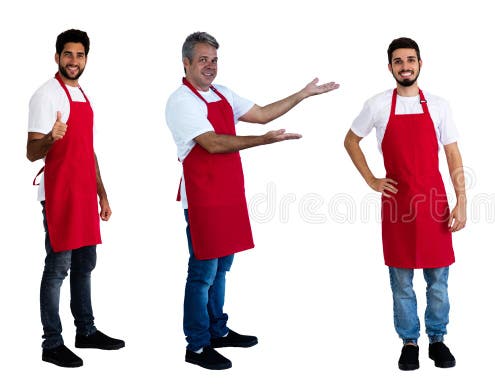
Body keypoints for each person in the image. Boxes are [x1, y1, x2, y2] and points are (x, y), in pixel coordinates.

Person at [165, 31, 338, 370]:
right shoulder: (181, 101)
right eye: (203, 60)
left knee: (222, 270)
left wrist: (302, 95)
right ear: (185, 63)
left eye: (214, 60)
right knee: (202, 273)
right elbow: (212, 143)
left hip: (228, 194)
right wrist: (263, 142)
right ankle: (197, 346)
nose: (210, 66)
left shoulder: (223, 93)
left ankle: (217, 331)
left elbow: (261, 113)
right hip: (202, 198)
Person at [344, 37, 466, 371]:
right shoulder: (377, 105)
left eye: (410, 60)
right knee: (401, 281)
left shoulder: (439, 105)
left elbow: (453, 155)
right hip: (397, 203)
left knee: (438, 281)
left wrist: (462, 201)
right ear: (390, 68)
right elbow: (351, 140)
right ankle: (410, 342)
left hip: (433, 202)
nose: (405, 66)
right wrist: (371, 179)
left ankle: (437, 340)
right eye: (398, 61)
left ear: (420, 64)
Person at [26, 29, 125, 368]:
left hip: (84, 193)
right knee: (58, 267)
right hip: (59, 193)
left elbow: (87, 150)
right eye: (67, 54)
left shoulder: (82, 93)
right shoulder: (46, 95)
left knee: (85, 265)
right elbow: (30, 152)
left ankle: (86, 331)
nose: (73, 61)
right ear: (57, 57)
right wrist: (51, 138)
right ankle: (51, 343)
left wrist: (103, 194)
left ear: (86, 59)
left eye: (80, 55)